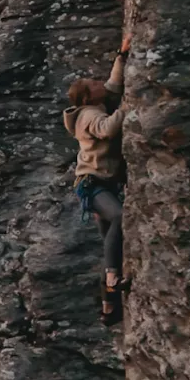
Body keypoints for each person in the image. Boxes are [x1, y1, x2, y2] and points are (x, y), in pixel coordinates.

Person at [62, 35, 131, 326]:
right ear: (88, 97)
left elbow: (113, 85)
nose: (99, 82)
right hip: (93, 184)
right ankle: (114, 278)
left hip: (98, 184)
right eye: (94, 84)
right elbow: (106, 130)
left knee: (110, 244)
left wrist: (122, 55)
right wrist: (130, 105)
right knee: (119, 218)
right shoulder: (89, 114)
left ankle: (109, 309)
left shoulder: (93, 106)